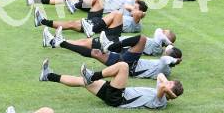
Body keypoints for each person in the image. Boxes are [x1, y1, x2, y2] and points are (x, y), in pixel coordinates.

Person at [42, 27, 182, 79]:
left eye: (167, 51)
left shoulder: (166, 68)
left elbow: (166, 60)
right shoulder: (165, 65)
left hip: (130, 66)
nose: (164, 51)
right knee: (95, 52)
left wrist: (174, 58)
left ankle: (111, 45)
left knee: (142, 39)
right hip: (126, 61)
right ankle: (58, 42)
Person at [39, 59, 184, 109]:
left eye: (170, 84)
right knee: (81, 81)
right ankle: (48, 76)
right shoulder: (163, 92)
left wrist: (169, 92)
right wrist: (168, 85)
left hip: (119, 98)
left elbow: (163, 85)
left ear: (170, 92)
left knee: (123, 66)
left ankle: (93, 75)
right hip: (116, 95)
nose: (167, 82)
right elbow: (160, 75)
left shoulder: (161, 100)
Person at [34, 0, 148, 39]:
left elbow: (140, 14)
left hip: (100, 27)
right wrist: (132, 8)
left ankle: (42, 21)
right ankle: (74, 6)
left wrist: (136, 10)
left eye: (136, 8)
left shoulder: (136, 23)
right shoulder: (130, 15)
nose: (133, 8)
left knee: (71, 24)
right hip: (100, 21)